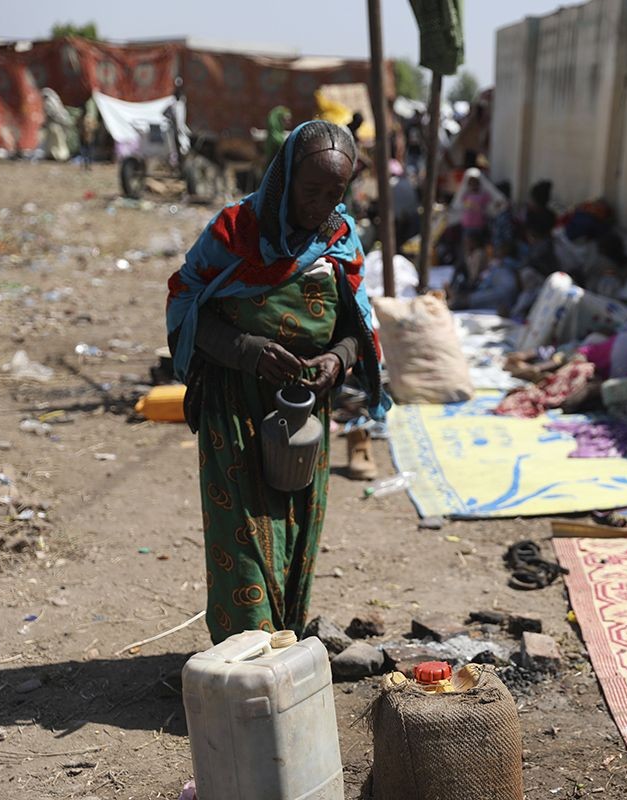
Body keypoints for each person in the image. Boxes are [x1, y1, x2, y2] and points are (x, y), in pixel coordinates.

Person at [165, 121, 389, 643]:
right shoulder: (235, 231)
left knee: (296, 528)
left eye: (334, 193)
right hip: (236, 405)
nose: (320, 205)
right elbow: (184, 302)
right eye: (310, 191)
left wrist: (338, 359)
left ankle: (283, 647)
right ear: (284, 179)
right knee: (242, 534)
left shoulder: (339, 237)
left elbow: (358, 324)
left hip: (306, 407)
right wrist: (249, 351)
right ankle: (244, 662)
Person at [451, 239, 522, 315]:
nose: (496, 251)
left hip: (502, 293)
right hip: (499, 292)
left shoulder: (506, 263)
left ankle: (452, 304)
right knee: (472, 300)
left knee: (469, 301)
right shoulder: (499, 265)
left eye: (500, 249)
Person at [459, 173, 491, 240]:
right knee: (467, 241)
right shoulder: (466, 195)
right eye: (471, 184)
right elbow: (463, 204)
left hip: (478, 223)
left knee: (478, 241)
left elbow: (487, 203)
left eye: (475, 184)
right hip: (467, 223)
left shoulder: (483, 195)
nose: (473, 186)